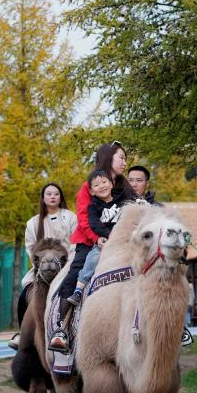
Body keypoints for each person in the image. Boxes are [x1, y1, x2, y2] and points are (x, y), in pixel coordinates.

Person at [49, 141, 132, 354]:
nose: (124, 162)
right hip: (90, 241)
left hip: (122, 240)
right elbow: (85, 220)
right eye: (121, 157)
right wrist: (98, 239)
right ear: (108, 158)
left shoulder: (124, 186)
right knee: (75, 272)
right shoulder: (88, 187)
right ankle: (61, 328)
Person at [8, 183, 76, 350]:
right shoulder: (33, 222)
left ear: (60, 197)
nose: (52, 196)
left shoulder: (70, 217)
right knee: (25, 294)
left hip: (67, 266)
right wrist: (41, 266)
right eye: (49, 194)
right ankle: (22, 332)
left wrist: (66, 264)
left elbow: (75, 244)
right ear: (43, 198)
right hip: (42, 269)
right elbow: (31, 248)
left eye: (56, 193)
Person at [65, 170, 123, 307]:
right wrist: (108, 235)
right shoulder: (93, 206)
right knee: (92, 259)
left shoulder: (121, 201)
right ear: (91, 191)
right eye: (96, 185)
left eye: (104, 182)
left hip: (122, 239)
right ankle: (78, 289)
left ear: (111, 184)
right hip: (105, 241)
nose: (101, 186)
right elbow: (94, 224)